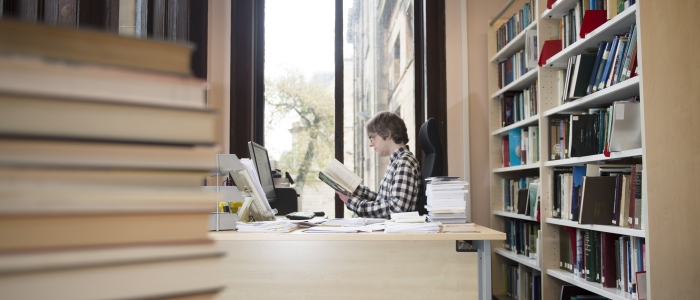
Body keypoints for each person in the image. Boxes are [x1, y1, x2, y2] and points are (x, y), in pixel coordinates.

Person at [337, 111, 422, 219]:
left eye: (372, 137)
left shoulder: (404, 163)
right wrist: (355, 189)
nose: (370, 143)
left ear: (387, 133)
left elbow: (396, 209)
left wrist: (355, 203)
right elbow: (383, 201)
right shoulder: (397, 161)